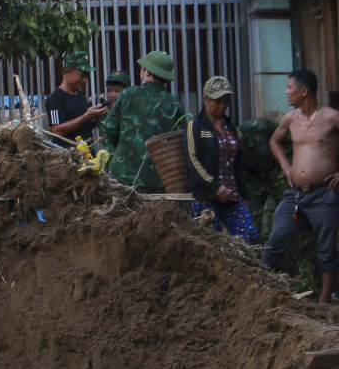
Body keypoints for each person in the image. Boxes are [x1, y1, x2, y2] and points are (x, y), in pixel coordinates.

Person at [261, 69, 339, 302]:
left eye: (289, 88)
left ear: (304, 91)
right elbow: (274, 141)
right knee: (276, 240)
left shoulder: (330, 117)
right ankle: (262, 290)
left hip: (324, 193)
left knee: (327, 246)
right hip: (295, 195)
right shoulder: (290, 118)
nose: (286, 92)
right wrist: (286, 167)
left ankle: (325, 299)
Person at [101, 51, 190, 191]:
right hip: (158, 179)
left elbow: (109, 130)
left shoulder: (126, 95)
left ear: (146, 72)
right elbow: (179, 143)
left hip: (122, 176)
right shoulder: (174, 104)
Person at [186, 76, 259, 245]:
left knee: (250, 236)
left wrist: (243, 193)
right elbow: (192, 160)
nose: (222, 106)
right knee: (211, 244)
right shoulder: (195, 126)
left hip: (232, 196)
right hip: (205, 196)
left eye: (226, 101)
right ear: (205, 99)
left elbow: (237, 164)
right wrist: (215, 186)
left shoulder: (230, 127)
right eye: (217, 101)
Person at [44, 52, 107, 139]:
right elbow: (57, 130)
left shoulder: (80, 94)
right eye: (81, 75)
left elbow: (85, 127)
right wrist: (86, 116)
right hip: (68, 151)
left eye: (87, 76)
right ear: (67, 72)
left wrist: (95, 117)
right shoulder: (55, 99)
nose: (85, 80)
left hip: (87, 150)